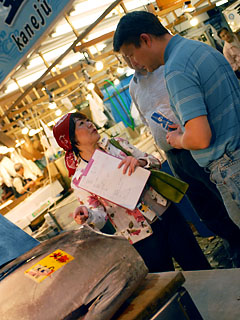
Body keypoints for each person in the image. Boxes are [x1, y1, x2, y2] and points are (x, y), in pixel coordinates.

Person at [113, 11, 240, 229]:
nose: (132, 62)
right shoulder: (198, 49)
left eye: (131, 54)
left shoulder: (176, 70)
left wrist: (179, 139)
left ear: (145, 39)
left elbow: (199, 138)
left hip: (229, 165)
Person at [53, 112, 211, 272]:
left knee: (198, 265)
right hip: (141, 236)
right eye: (81, 123)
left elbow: (155, 161)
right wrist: (87, 215)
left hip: (167, 214)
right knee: (166, 282)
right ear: (71, 140)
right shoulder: (80, 179)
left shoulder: (117, 145)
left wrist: (140, 162)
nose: (89, 123)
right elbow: (100, 217)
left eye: (87, 119)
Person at [127, 60, 240, 267]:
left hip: (194, 144)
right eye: (124, 57)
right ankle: (232, 245)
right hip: (173, 155)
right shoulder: (133, 87)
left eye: (131, 53)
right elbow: (146, 120)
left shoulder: (169, 67)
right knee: (204, 207)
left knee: (223, 197)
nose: (130, 60)